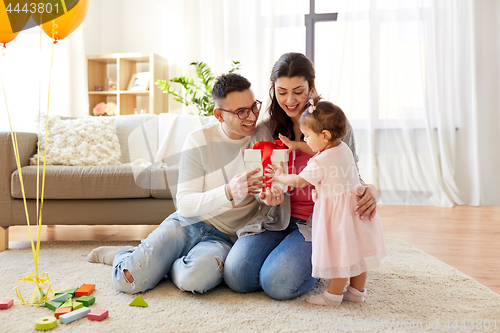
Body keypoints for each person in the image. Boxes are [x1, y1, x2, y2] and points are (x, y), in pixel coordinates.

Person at [87, 73, 282, 294]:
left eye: (254, 106)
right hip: (187, 223)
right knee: (128, 280)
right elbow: (185, 204)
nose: (252, 116)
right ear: (218, 115)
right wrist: (228, 191)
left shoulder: (263, 137)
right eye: (241, 112)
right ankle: (125, 255)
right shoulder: (200, 139)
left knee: (193, 279)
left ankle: (162, 263)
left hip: (226, 237)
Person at [224, 52, 379, 300]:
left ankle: (329, 264)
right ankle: (301, 259)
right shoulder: (265, 130)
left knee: (277, 284)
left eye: (298, 91)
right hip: (276, 218)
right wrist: (267, 196)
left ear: (311, 87)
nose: (290, 100)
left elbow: (352, 174)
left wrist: (370, 189)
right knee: (237, 276)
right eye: (282, 92)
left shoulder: (335, 123)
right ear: (273, 90)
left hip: (319, 222)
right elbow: (261, 182)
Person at [268, 97, 386, 306]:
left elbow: (297, 181)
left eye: (306, 136)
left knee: (339, 255)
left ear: (324, 135)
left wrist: (279, 176)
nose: (305, 140)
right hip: (354, 210)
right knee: (356, 252)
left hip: (337, 215)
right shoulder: (341, 148)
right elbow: (315, 147)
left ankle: (332, 295)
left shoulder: (320, 162)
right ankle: (357, 292)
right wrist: (297, 145)